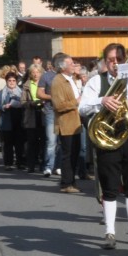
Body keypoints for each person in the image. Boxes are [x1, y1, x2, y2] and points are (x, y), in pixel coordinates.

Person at [79, 44, 128, 250]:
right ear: (105, 62)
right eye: (111, 60)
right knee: (110, 188)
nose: (115, 64)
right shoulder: (97, 81)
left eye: (119, 60)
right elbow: (82, 106)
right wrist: (102, 100)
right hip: (108, 140)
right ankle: (110, 232)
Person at [51, 53, 82, 193]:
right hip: (66, 123)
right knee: (68, 154)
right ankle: (66, 183)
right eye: (70, 64)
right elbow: (58, 105)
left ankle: (71, 181)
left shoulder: (70, 79)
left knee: (74, 153)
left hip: (75, 122)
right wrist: (76, 102)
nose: (73, 65)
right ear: (62, 67)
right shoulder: (57, 81)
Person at [0, 72, 25, 170]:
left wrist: (21, 104)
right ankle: (8, 163)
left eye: (13, 81)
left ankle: (20, 162)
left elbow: (25, 102)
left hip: (19, 120)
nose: (11, 82)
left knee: (19, 143)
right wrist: (4, 106)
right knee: (7, 143)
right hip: (6, 120)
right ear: (6, 81)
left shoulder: (21, 92)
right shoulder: (2, 92)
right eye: (9, 81)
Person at [21, 65, 46, 173]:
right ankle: (31, 165)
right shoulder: (26, 85)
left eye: (38, 72)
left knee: (44, 141)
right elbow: (23, 102)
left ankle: (44, 164)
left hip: (44, 113)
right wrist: (31, 103)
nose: (36, 74)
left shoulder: (45, 84)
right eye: (33, 72)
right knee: (32, 141)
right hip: (32, 114)